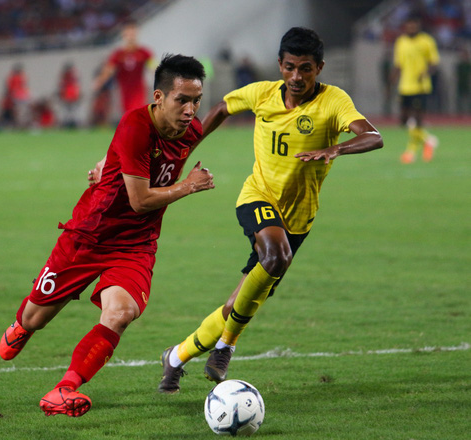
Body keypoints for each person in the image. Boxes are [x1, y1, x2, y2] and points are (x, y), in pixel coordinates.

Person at [157, 27, 383, 394]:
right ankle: (226, 347)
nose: (296, 77)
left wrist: (336, 149)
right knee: (276, 256)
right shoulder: (262, 93)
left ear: (319, 68)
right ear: (280, 65)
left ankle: (176, 357)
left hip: (299, 217)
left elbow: (373, 135)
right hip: (258, 196)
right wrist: (184, 146)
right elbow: (222, 107)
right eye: (290, 67)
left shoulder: (333, 101)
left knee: (237, 304)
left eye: (306, 68)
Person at [0, 54, 214, 417]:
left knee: (121, 313)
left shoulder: (190, 131)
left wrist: (108, 159)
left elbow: (217, 115)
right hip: (91, 234)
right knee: (34, 319)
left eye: (197, 101)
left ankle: (64, 389)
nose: (191, 110)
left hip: (136, 245)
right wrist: (188, 186)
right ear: (159, 98)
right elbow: (141, 199)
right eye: (183, 100)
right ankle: (21, 326)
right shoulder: (135, 125)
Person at [391, 14, 440, 164]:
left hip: (420, 87)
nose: (411, 27)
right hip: (404, 86)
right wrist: (391, 81)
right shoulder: (401, 42)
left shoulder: (426, 41)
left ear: (418, 25)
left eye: (413, 25)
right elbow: (398, 64)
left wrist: (425, 73)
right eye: (408, 25)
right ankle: (428, 140)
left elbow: (434, 63)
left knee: (417, 120)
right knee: (404, 120)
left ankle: (410, 153)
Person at [93, 21, 153, 115]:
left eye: (133, 34)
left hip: (139, 89)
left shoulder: (144, 52)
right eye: (128, 34)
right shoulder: (118, 54)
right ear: (124, 35)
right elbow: (109, 69)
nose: (131, 37)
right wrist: (100, 81)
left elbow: (153, 67)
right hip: (124, 90)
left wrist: (162, 79)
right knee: (128, 113)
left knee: (137, 112)